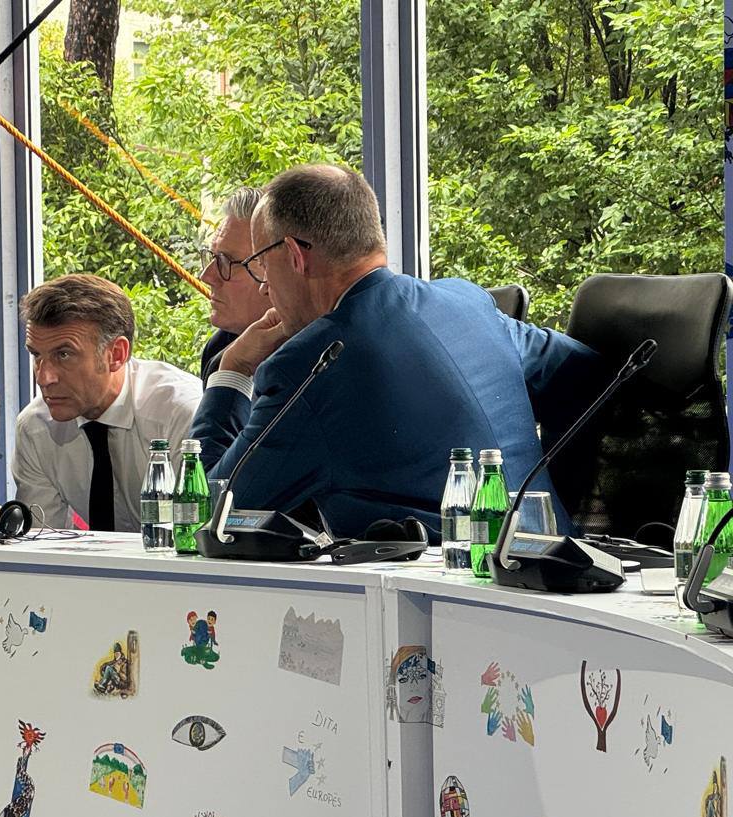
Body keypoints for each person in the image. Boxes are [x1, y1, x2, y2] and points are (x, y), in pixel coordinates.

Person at [191, 164, 601, 539]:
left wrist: (233, 371)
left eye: (261, 264)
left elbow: (204, 514)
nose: (265, 286)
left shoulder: (312, 364)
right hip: (558, 561)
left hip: (441, 584)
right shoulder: (465, 302)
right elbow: (589, 372)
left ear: (296, 256)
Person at [13, 274, 201, 530]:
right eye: (37, 355)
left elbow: (198, 537)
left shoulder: (180, 413)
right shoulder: (36, 427)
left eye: (64, 355)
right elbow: (41, 541)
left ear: (116, 354)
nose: (44, 378)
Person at [198, 187, 269, 385]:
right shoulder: (220, 346)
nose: (207, 276)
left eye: (226, 261)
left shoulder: (317, 361)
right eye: (212, 257)